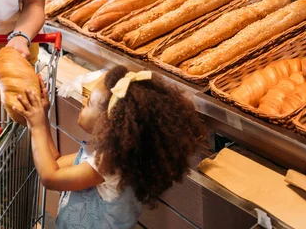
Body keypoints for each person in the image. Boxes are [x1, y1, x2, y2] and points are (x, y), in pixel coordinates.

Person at [16, 66, 206, 228]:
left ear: (109, 124)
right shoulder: (116, 155)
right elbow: (55, 163)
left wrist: (39, 126)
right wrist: (43, 115)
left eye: (89, 102)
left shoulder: (110, 165)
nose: (83, 102)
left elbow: (51, 177)